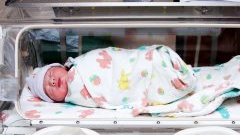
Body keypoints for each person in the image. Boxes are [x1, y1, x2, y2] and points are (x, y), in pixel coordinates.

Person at [26, 45, 196, 109]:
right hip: (131, 87)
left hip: (133, 64)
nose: (52, 81)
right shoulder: (74, 97)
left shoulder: (80, 65)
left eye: (50, 74)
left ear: (61, 66)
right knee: (153, 84)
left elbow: (113, 58)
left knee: (152, 62)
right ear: (55, 101)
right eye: (48, 88)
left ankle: (166, 68)